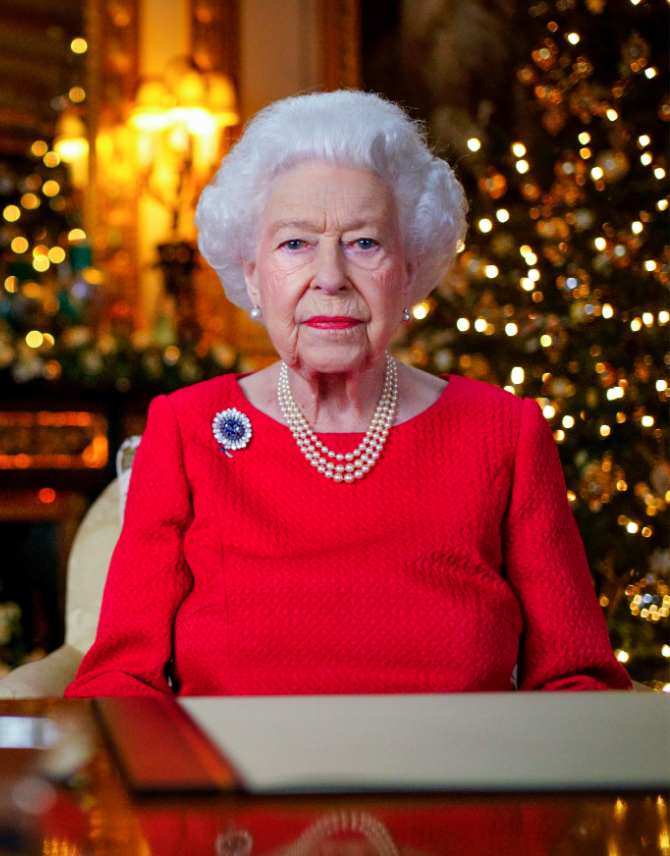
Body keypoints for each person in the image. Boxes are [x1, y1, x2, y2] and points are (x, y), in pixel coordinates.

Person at [65, 90, 630, 698]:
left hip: (453, 787)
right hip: (236, 787)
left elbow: (578, 679)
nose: (330, 278)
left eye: (364, 243)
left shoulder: (501, 431)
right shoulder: (188, 428)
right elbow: (119, 681)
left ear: (409, 269)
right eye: (295, 244)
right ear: (253, 273)